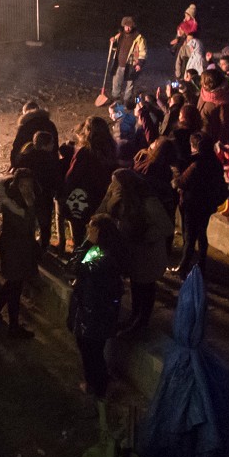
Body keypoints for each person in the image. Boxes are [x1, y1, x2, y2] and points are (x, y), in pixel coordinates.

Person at [99, 169, 174, 334]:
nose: (113, 186)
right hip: (131, 251)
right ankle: (134, 317)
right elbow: (101, 215)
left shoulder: (148, 202)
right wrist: (110, 203)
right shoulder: (118, 198)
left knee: (145, 287)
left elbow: (167, 228)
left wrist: (144, 236)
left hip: (148, 253)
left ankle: (142, 321)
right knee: (135, 285)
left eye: (116, 183)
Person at [68, 214, 124, 400]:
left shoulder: (103, 256)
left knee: (91, 352)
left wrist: (86, 244)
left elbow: (75, 266)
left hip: (94, 313)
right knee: (91, 350)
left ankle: (99, 389)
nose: (88, 231)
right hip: (93, 310)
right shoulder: (105, 251)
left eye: (92, 229)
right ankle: (96, 384)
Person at [0, 169, 41, 337]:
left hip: (21, 249)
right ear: (16, 184)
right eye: (23, 185)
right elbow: (25, 225)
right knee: (14, 287)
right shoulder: (13, 203)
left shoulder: (26, 199)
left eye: (29, 185)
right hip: (13, 249)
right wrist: (31, 206)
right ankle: (13, 326)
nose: (26, 188)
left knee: (11, 284)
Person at [174, 133, 226, 278]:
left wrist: (176, 175)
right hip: (207, 204)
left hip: (193, 205)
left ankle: (183, 266)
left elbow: (181, 182)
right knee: (202, 233)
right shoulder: (215, 161)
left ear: (196, 147)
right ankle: (202, 264)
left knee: (190, 237)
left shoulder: (197, 164)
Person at [63, 117, 118, 253]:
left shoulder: (85, 152)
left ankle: (80, 262)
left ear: (88, 131)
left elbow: (72, 177)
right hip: (103, 198)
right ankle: (96, 263)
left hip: (83, 199)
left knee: (81, 233)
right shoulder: (111, 150)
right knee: (99, 233)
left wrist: (64, 194)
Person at [18, 131, 64, 250]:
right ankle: (43, 246)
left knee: (30, 221)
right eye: (52, 143)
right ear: (45, 145)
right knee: (45, 223)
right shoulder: (48, 159)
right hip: (44, 195)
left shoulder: (26, 156)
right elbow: (53, 178)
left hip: (28, 195)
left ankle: (29, 245)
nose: (54, 145)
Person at [107, 16, 147, 106]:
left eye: (129, 26)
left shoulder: (138, 38)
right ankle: (115, 99)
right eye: (126, 26)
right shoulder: (120, 35)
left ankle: (127, 101)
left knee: (130, 83)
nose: (127, 28)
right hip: (119, 63)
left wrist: (140, 63)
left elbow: (143, 52)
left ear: (133, 26)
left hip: (132, 64)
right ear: (123, 26)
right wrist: (113, 42)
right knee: (116, 81)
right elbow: (115, 48)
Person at [9, 100, 59, 170]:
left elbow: (17, 146)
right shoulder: (50, 124)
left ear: (26, 112)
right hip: (49, 163)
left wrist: (14, 164)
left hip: (29, 165)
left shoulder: (25, 126)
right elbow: (55, 145)